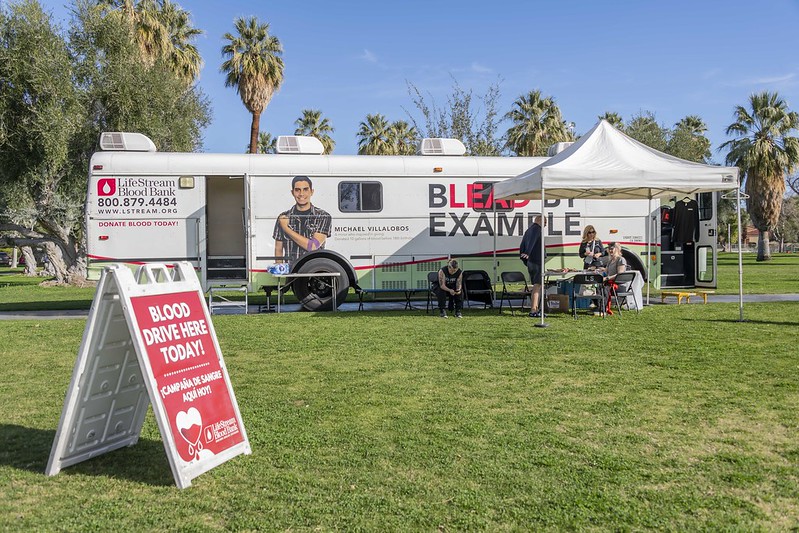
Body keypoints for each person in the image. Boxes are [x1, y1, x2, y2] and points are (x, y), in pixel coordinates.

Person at [273, 176, 332, 266]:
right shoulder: (283, 217)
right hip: (291, 271)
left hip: (315, 271)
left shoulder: (323, 216)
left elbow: (313, 246)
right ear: (292, 192)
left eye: (305, 189)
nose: (301, 194)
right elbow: (278, 249)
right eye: (297, 190)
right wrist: (280, 270)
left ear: (312, 192)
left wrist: (286, 228)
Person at [520, 215, 545, 318]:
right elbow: (532, 242)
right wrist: (527, 252)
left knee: (537, 285)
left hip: (530, 262)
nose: (545, 225)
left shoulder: (528, 230)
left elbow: (522, 244)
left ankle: (536, 309)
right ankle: (533, 310)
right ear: (540, 221)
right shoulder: (536, 229)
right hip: (536, 261)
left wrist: (524, 257)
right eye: (545, 222)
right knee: (537, 285)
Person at [601, 242, 627, 315]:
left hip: (618, 285)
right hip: (610, 283)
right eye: (609, 249)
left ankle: (603, 308)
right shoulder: (610, 261)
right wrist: (598, 270)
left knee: (603, 287)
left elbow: (620, 274)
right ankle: (599, 306)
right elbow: (605, 272)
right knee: (596, 285)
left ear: (618, 249)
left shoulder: (621, 260)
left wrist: (607, 278)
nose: (610, 250)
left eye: (612, 249)